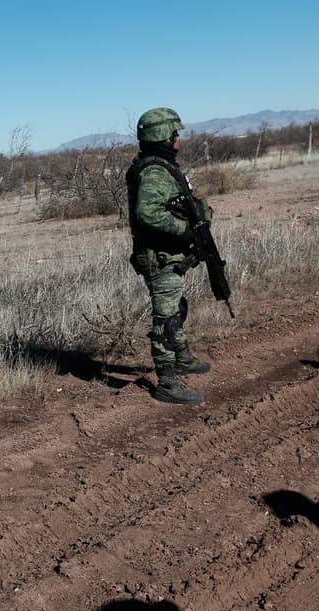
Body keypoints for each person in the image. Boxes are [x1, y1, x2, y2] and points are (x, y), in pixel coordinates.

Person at [126, 107, 213, 405]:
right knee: (165, 320)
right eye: (174, 133)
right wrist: (185, 231)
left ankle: (183, 357)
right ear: (161, 136)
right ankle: (166, 382)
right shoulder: (153, 172)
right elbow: (147, 213)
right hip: (159, 257)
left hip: (167, 255)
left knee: (177, 307)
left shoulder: (161, 166)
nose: (178, 139)